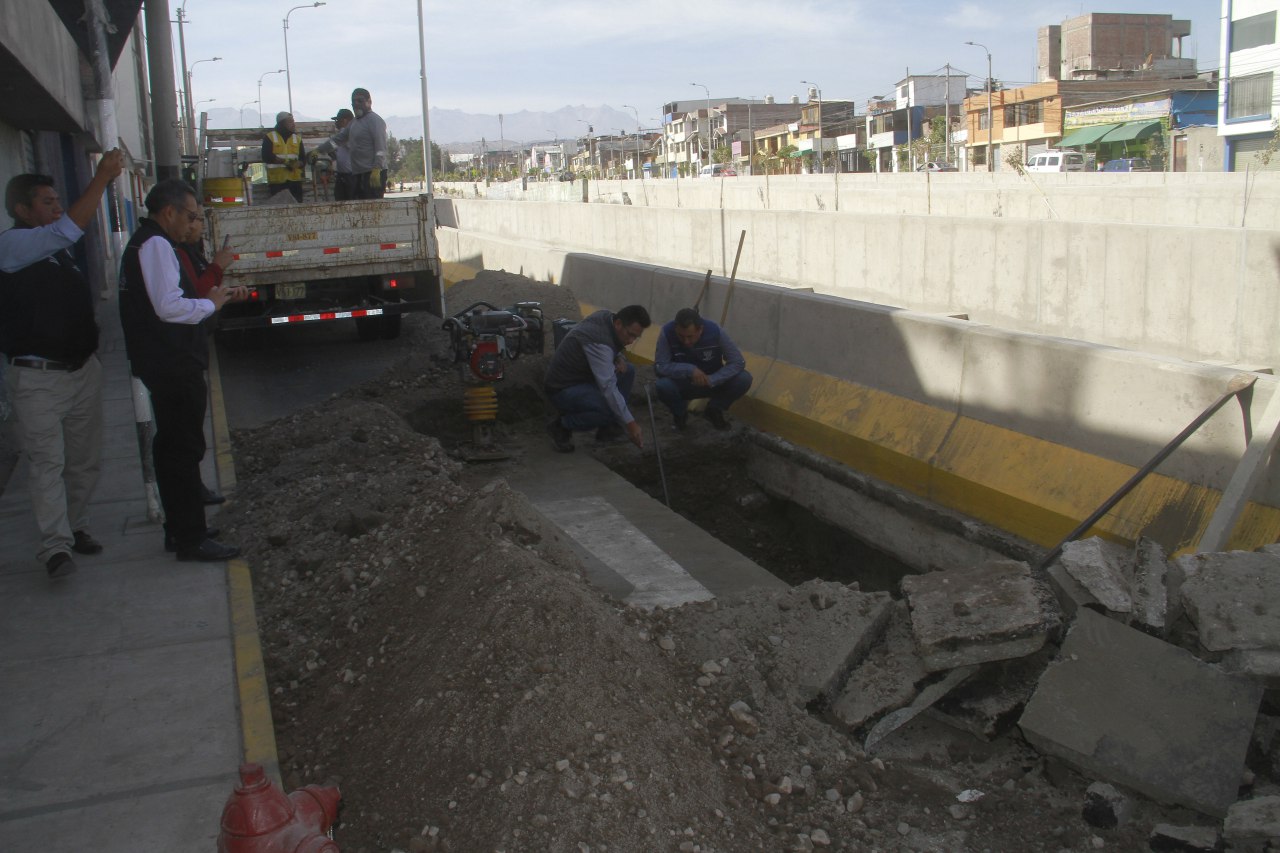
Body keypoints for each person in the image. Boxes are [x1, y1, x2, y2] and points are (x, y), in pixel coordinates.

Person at [0, 149, 124, 579]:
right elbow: (70, 229)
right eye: (48, 203)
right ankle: (55, 547)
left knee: (84, 458)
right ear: (22, 210)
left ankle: (76, 526)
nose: (57, 209)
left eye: (57, 201)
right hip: (38, 379)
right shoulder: (14, 245)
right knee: (47, 462)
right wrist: (103, 177)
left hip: (80, 373)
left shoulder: (55, 252)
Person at [118, 179, 243, 562]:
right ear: (168, 212)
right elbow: (169, 306)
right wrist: (210, 305)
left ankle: (183, 529)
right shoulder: (155, 244)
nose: (193, 224)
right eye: (190, 216)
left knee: (174, 447)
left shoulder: (150, 242)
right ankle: (190, 538)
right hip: (171, 362)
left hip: (164, 360)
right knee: (182, 449)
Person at [176, 205, 243, 511]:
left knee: (190, 435)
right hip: (180, 357)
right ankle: (188, 506)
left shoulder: (187, 250)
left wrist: (225, 294)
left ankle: (193, 491)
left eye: (200, 218)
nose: (199, 224)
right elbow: (197, 294)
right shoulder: (173, 253)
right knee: (183, 437)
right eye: (193, 218)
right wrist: (217, 266)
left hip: (192, 352)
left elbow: (206, 295)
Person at [543, 305, 650, 453]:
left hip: (582, 379)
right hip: (562, 388)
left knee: (628, 370)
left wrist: (617, 356)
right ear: (618, 323)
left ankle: (608, 429)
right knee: (610, 407)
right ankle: (561, 426)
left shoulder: (606, 316)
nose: (631, 341)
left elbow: (609, 347)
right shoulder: (599, 342)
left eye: (636, 337)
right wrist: (630, 424)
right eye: (630, 334)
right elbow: (608, 388)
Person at [653, 307, 752, 431]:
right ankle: (680, 415)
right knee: (663, 385)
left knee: (744, 379)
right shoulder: (667, 332)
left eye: (690, 336)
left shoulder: (715, 331)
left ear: (700, 330)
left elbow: (737, 361)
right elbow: (660, 366)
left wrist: (713, 379)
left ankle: (714, 409)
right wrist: (690, 370)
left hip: (713, 382)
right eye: (681, 336)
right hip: (683, 384)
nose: (686, 341)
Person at [313, 88, 387, 200]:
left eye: (360, 101)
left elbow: (381, 147)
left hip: (373, 173)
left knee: (372, 209)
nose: (356, 104)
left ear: (369, 102)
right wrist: (319, 150)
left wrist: (377, 168)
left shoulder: (374, 120)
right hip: (358, 174)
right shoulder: (354, 123)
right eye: (354, 102)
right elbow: (337, 140)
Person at [262, 111, 306, 202]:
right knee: (279, 210)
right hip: (277, 183)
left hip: (295, 182)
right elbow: (266, 156)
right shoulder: (270, 137)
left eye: (293, 121)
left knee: (297, 209)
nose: (293, 124)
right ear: (281, 123)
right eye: (290, 122)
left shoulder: (297, 139)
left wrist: (298, 163)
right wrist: (285, 162)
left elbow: (303, 159)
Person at [329, 108, 355, 201]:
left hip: (351, 176)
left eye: (337, 120)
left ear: (344, 120)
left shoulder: (349, 133)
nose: (335, 122)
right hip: (342, 175)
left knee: (350, 201)